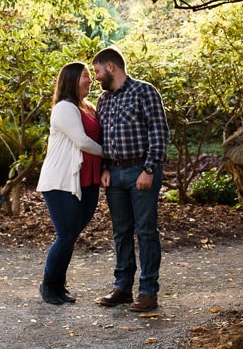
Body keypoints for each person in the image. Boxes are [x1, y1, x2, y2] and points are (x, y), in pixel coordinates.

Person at [91, 46, 169, 313]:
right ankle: (122, 288)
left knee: (145, 230)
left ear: (111, 67)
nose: (96, 77)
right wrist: (104, 168)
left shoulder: (144, 91)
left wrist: (149, 170)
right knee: (121, 231)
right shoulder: (105, 100)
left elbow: (159, 132)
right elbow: (101, 138)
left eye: (98, 71)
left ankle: (148, 292)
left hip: (140, 171)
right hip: (114, 174)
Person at [35, 62, 105, 305]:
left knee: (71, 235)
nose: (91, 80)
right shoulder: (64, 108)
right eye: (86, 76)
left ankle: (59, 285)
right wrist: (111, 153)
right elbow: (82, 141)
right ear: (72, 80)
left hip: (87, 179)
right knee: (65, 235)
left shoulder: (86, 107)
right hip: (62, 181)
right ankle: (48, 286)